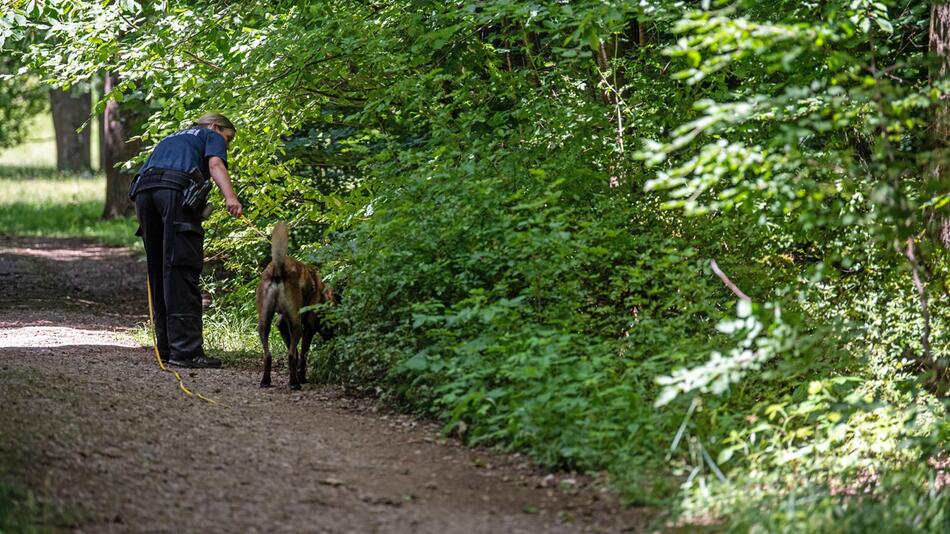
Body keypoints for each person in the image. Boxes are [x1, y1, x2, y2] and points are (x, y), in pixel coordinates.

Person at [131, 112, 243, 368]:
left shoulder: (171, 137)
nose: (228, 145)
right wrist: (230, 197)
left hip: (143, 194)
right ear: (216, 127)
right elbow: (215, 164)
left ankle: (167, 347)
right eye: (229, 138)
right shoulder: (209, 135)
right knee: (181, 266)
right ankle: (186, 352)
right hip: (173, 192)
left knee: (159, 269)